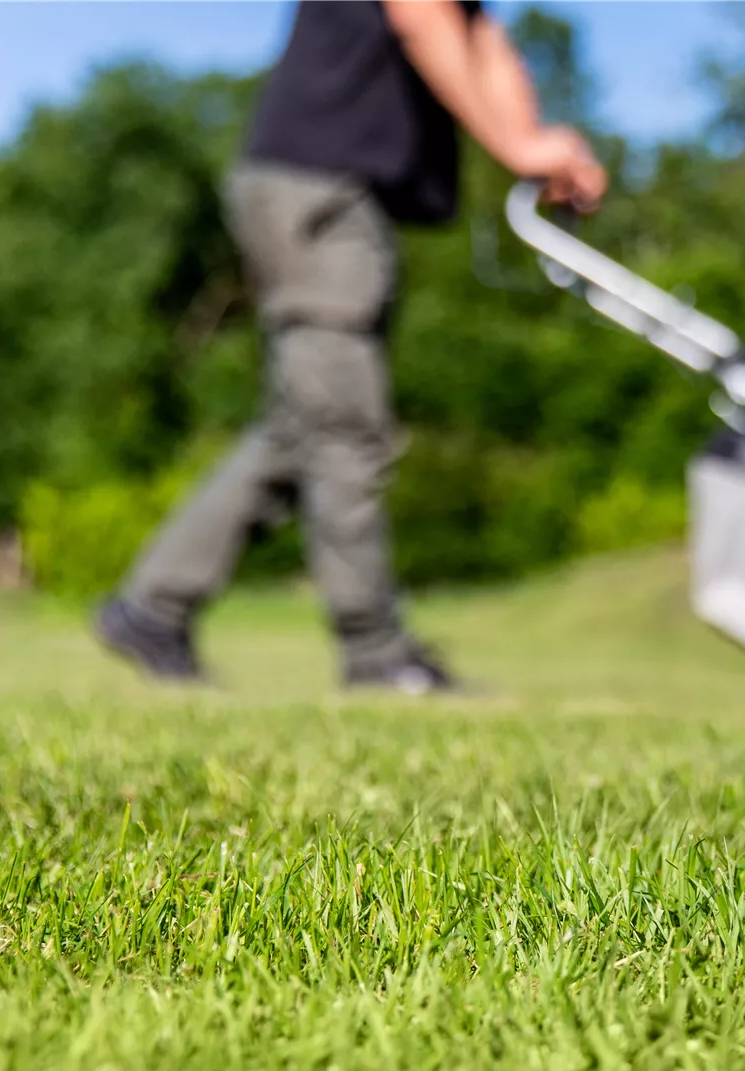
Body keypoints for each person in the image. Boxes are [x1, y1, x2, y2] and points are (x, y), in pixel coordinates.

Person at [94, 0, 607, 692]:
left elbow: (482, 36)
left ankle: (152, 608)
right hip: (316, 188)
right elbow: (423, 16)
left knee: (301, 426)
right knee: (345, 428)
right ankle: (375, 653)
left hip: (327, 190)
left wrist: (537, 139)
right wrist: (515, 147)